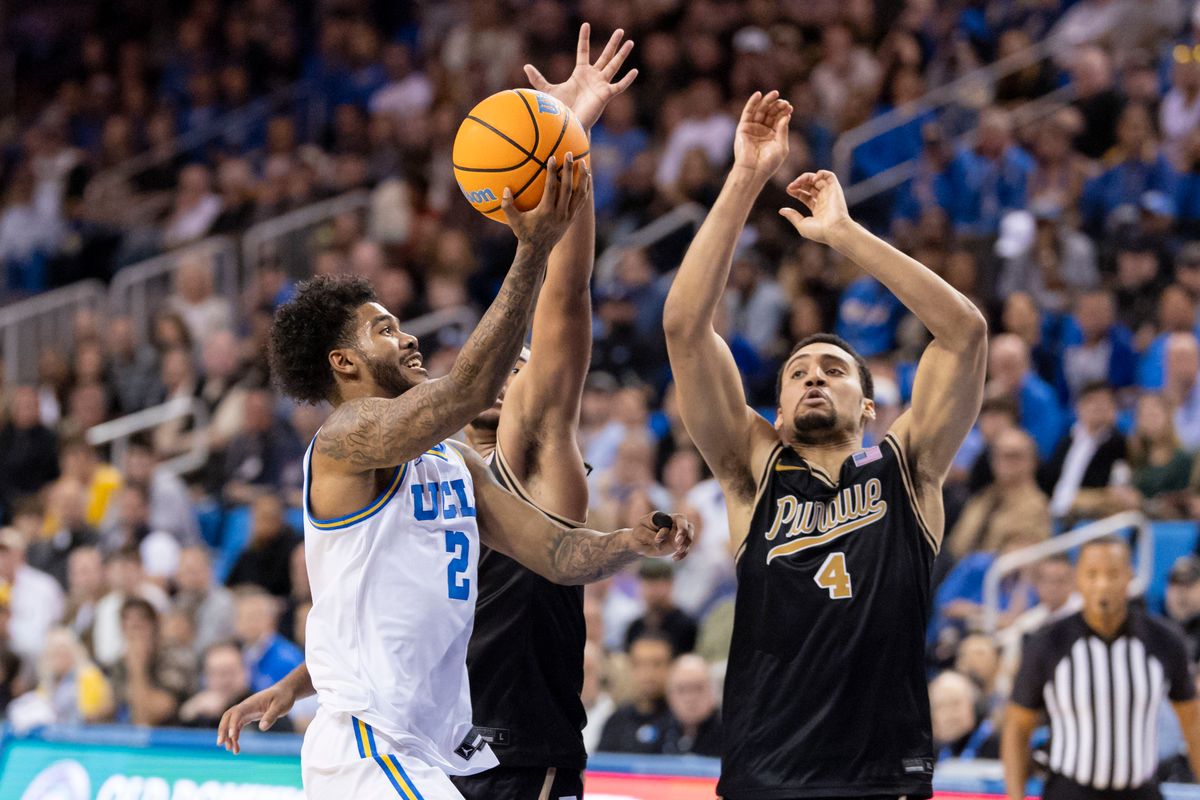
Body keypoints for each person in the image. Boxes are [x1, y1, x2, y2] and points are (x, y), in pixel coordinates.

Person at [220, 26, 648, 800]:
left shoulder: (468, 462)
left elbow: (553, 555)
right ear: (344, 364)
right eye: (385, 328)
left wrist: (637, 542)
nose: (409, 334)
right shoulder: (352, 439)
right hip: (381, 746)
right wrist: (530, 246)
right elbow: (461, 392)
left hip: (451, 749)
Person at [663, 90, 987, 799]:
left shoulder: (908, 468)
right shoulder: (753, 471)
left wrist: (844, 235)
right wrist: (746, 176)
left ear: (869, 406)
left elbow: (964, 334)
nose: (814, 376)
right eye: (798, 372)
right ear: (776, 410)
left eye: (834, 370)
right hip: (766, 775)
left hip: (882, 776)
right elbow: (685, 327)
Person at [1003, 537, 1200, 800]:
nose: (1102, 584)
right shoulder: (1048, 643)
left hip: (1140, 790)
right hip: (1069, 791)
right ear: (1078, 579)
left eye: (1113, 574)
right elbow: (1017, 727)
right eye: (1092, 574)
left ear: (1130, 576)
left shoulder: (1163, 641)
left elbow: (1193, 722)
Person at [597, 634, 674, 754]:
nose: (649, 673)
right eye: (640, 664)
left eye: (657, 664)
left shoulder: (682, 722)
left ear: (671, 667)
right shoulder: (616, 721)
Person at [623, 559, 697, 655]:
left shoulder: (686, 627)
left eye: (656, 584)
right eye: (647, 583)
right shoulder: (635, 627)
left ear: (670, 584)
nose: (651, 591)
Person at [660, 653, 722, 756]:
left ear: (714, 691)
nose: (690, 698)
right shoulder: (658, 733)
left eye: (698, 688)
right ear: (669, 695)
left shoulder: (730, 735)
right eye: (681, 689)